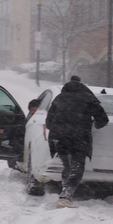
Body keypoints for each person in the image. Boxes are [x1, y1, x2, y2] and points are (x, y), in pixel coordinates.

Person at [46, 76, 108, 208]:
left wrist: (60, 128)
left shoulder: (59, 98)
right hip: (79, 136)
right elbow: (103, 119)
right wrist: (95, 124)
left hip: (59, 136)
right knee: (77, 166)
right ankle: (65, 196)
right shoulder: (88, 98)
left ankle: (65, 192)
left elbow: (49, 122)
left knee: (67, 165)